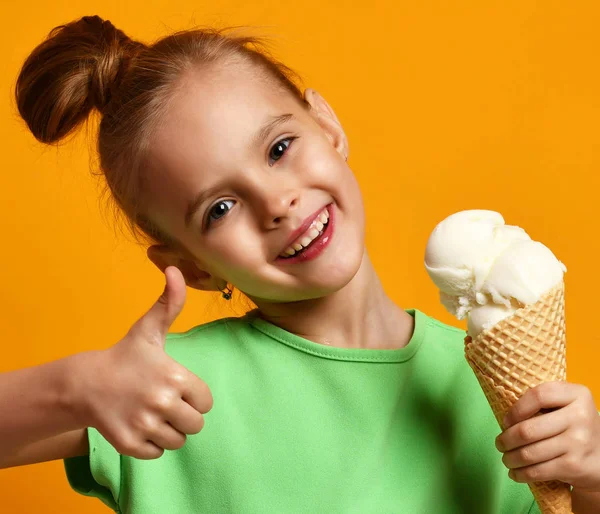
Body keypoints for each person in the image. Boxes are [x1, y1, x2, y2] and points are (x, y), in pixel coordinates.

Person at [2, 14, 600, 514]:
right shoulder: (168, 390)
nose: (276, 202)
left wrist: (593, 479)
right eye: (221, 208)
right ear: (194, 266)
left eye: (279, 148)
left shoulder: (490, 391)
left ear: (329, 127)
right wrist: (76, 387)